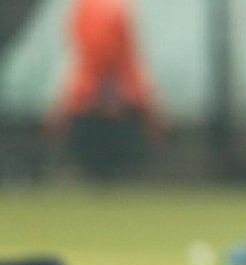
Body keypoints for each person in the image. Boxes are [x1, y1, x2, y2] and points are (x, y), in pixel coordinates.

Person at [43, 0, 166, 179]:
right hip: (101, 100)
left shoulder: (93, 8)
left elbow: (109, 54)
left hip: (100, 99)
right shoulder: (99, 9)